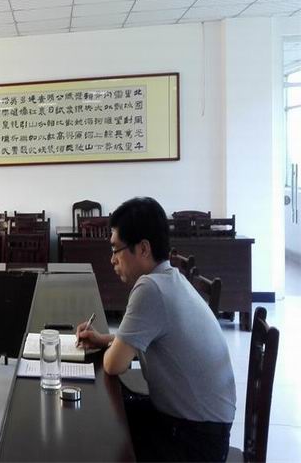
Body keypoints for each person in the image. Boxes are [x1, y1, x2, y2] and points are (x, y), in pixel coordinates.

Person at [76, 197, 235, 462]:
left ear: (143, 248)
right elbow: (152, 339)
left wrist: (112, 348)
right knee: (109, 414)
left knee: (100, 428)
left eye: (116, 249)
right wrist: (106, 339)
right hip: (205, 426)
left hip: (194, 441)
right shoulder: (170, 277)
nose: (112, 260)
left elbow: (114, 365)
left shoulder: (149, 288)